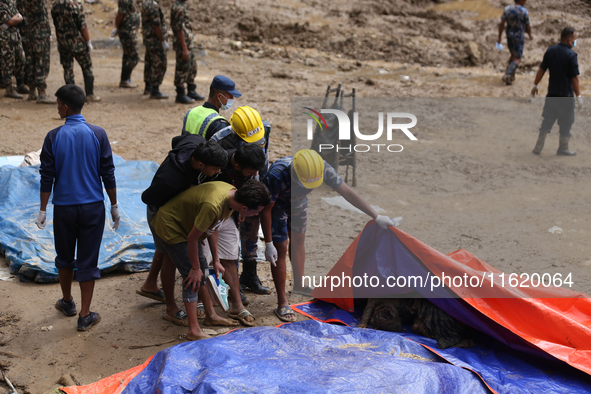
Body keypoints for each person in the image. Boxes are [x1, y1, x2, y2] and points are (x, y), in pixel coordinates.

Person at [260, 149, 395, 322]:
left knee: (299, 240)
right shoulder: (277, 174)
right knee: (281, 248)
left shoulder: (321, 168)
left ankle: (300, 284)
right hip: (277, 206)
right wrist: (269, 242)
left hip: (298, 203)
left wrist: (376, 216)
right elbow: (266, 209)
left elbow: (347, 192)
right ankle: (282, 301)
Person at [37, 84, 120, 331]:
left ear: (64, 107)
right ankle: (85, 315)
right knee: (88, 260)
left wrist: (42, 209)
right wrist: (114, 205)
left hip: (64, 209)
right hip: (93, 208)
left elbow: (46, 176)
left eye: (57, 105)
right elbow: (108, 172)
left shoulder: (53, 137)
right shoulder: (98, 134)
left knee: (64, 257)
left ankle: (67, 301)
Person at [150, 179, 270, 340]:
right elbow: (193, 238)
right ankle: (193, 330)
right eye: (256, 212)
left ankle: (210, 316)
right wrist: (194, 268)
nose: (256, 215)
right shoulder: (213, 205)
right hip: (172, 226)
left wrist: (217, 259)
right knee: (192, 277)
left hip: (189, 225)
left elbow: (214, 227)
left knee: (204, 269)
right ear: (244, 208)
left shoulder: (232, 196)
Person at [138, 137, 228, 326]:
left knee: (167, 253)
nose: (219, 172)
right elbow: (148, 197)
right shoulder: (172, 180)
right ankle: (171, 308)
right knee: (170, 255)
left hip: (180, 211)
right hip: (162, 211)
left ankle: (150, 285)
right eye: (215, 169)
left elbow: (177, 139)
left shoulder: (195, 143)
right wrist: (185, 190)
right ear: (201, 164)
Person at [201, 143, 267, 326]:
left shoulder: (249, 170)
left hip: (229, 212)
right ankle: (202, 303)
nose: (254, 175)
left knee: (230, 257)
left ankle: (236, 306)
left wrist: (239, 213)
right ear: (237, 166)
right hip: (205, 213)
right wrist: (215, 257)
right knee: (203, 259)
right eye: (251, 171)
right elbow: (210, 223)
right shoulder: (216, 164)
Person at [209, 106, 271, 296]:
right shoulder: (218, 141)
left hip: (250, 183)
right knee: (229, 234)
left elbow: (262, 164)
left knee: (252, 225)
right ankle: (231, 278)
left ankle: (250, 274)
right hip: (226, 191)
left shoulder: (263, 132)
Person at [531, 27, 582, 156]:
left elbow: (542, 69)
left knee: (547, 120)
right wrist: (579, 96)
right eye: (574, 39)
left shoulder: (551, 51)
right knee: (566, 122)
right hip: (566, 96)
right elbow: (574, 78)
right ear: (569, 40)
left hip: (552, 94)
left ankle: (538, 147)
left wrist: (535, 84)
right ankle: (563, 148)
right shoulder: (571, 55)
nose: (575, 42)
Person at [51, 0, 100, 102]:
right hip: (78, 44)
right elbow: (82, 26)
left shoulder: (55, 5)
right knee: (87, 68)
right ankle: (90, 94)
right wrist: (88, 41)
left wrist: (59, 40)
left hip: (63, 43)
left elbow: (56, 25)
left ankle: (70, 98)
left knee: (68, 70)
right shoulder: (76, 4)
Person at [171, 0, 204, 104]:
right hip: (182, 44)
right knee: (182, 69)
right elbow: (179, 29)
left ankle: (191, 90)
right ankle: (180, 94)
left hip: (187, 43)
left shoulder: (182, 5)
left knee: (191, 67)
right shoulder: (178, 8)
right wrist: (184, 48)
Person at [23, 0, 53, 103]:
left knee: (32, 62)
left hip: (31, 33)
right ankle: (42, 93)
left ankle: (32, 92)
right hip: (40, 34)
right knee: (41, 63)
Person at [497, 0, 532, 85]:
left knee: (513, 55)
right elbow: (528, 26)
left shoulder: (507, 9)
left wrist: (499, 37)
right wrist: (530, 35)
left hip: (509, 35)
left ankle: (511, 76)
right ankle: (508, 75)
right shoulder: (524, 11)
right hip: (519, 37)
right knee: (517, 58)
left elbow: (502, 24)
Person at [142, 0, 169, 99]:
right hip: (155, 40)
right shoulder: (153, 5)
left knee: (149, 62)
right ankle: (155, 90)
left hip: (149, 38)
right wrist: (163, 41)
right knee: (160, 63)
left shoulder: (146, 2)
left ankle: (148, 87)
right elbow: (156, 25)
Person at [110, 0, 140, 88]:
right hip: (127, 30)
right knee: (134, 56)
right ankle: (125, 79)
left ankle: (126, 79)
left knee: (127, 55)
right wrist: (116, 27)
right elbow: (120, 13)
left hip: (130, 30)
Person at [0, 0, 26, 99]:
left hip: (15, 35)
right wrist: (17, 18)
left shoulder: (11, 2)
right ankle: (9, 88)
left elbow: (18, 15)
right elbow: (10, 21)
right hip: (5, 38)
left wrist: (16, 18)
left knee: (21, 59)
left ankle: (20, 85)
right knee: (8, 63)